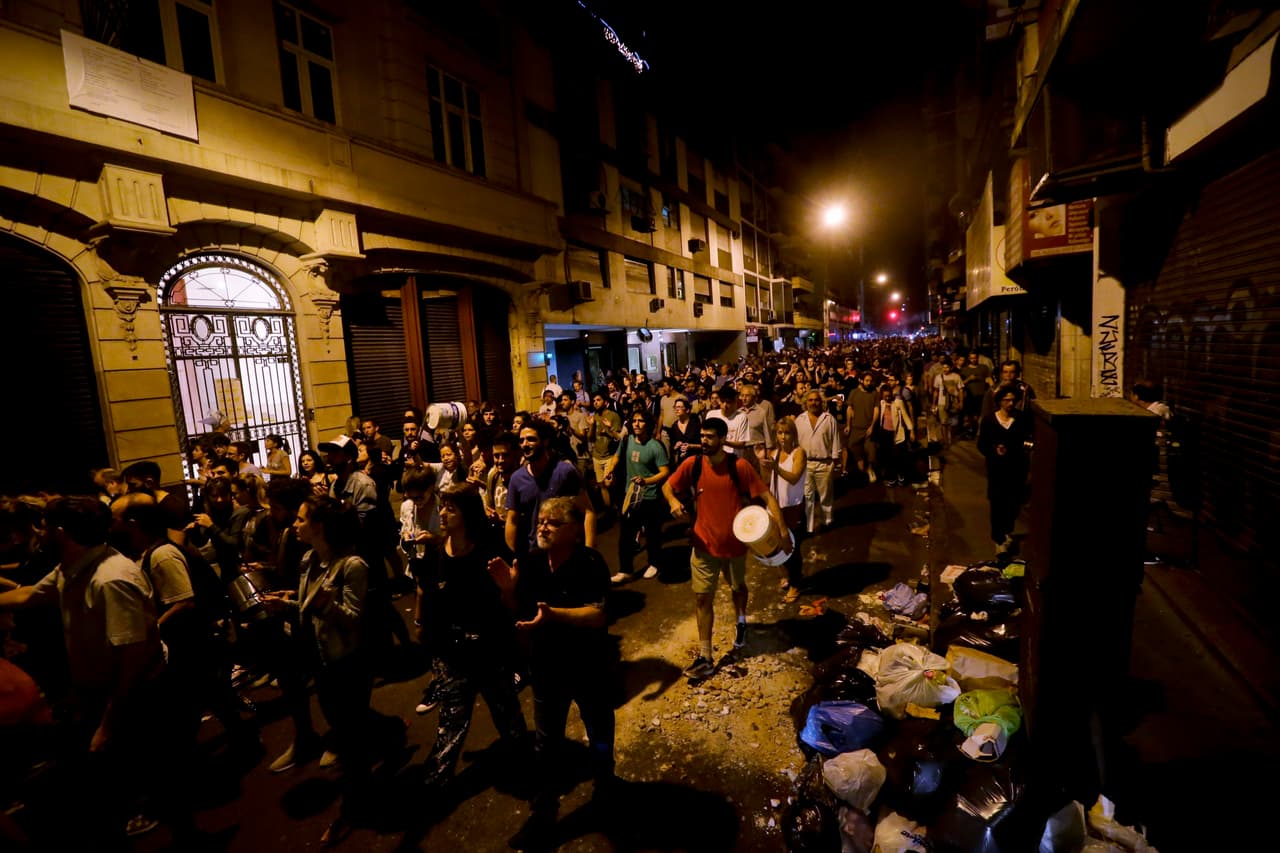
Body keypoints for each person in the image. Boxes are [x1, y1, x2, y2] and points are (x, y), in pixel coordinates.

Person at [0, 496, 194, 846]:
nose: (38, 532)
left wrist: (106, 725)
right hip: (105, 696)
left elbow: (132, 661)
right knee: (126, 785)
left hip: (135, 697)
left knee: (153, 780)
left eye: (42, 525)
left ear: (60, 532)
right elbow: (28, 596)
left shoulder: (110, 579)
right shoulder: (75, 567)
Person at [487, 496, 615, 850]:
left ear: (574, 531)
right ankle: (545, 806)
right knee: (546, 742)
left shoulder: (590, 562)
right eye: (540, 520)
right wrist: (509, 591)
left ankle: (606, 781)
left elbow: (599, 614)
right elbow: (519, 612)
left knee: (599, 727)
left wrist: (555, 614)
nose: (541, 526)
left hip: (588, 666)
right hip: (546, 668)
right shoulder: (529, 562)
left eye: (552, 522)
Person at [261, 496, 374, 845]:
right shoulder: (310, 559)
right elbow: (307, 607)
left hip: (348, 663)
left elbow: (354, 619)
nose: (294, 525)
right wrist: (288, 604)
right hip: (320, 659)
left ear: (319, 526)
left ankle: (355, 808)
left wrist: (327, 604)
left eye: (300, 519)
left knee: (350, 736)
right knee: (343, 728)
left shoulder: (352, 566)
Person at [662, 417, 789, 680]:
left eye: (710, 437)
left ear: (722, 439)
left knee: (737, 588)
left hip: (735, 546)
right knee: (702, 598)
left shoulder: (738, 466)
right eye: (703, 437)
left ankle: (741, 620)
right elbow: (667, 486)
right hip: (703, 544)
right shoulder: (692, 464)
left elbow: (766, 496)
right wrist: (673, 501)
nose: (704, 441)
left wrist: (783, 529)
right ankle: (706, 657)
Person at [418, 484, 527, 792]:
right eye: (442, 507)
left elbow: (512, 602)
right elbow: (426, 592)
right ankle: (436, 780)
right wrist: (422, 625)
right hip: (453, 654)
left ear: (467, 513)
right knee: (452, 719)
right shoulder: (437, 553)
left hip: (491, 649)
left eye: (450, 508)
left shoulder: (489, 550)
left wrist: (508, 588)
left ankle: (523, 761)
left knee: (506, 710)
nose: (442, 513)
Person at [505, 421, 596, 561]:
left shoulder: (565, 472)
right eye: (521, 440)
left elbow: (588, 512)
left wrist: (589, 552)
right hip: (535, 554)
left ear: (545, 442)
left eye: (531, 439)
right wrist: (511, 557)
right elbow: (512, 521)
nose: (524, 444)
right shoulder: (517, 479)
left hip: (567, 551)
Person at [604, 409, 670, 584]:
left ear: (648, 424)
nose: (636, 424)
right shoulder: (627, 440)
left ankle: (654, 563)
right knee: (626, 534)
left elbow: (665, 472)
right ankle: (625, 570)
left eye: (640, 421)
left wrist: (646, 481)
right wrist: (610, 470)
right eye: (634, 421)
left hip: (650, 498)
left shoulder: (655, 446)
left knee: (652, 534)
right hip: (631, 496)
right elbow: (617, 457)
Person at [977, 386, 1033, 558]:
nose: (1010, 403)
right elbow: (981, 444)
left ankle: (1007, 531)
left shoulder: (1021, 418)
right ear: (999, 401)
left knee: (1013, 503)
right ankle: (999, 538)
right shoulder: (989, 420)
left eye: (1012, 400)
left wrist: (1026, 447)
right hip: (997, 470)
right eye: (1006, 400)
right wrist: (994, 449)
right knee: (998, 502)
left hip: (1017, 468)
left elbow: (1029, 439)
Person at [762, 416, 807, 601]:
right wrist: (763, 466)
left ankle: (795, 585)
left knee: (792, 549)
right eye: (780, 433)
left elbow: (795, 477)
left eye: (787, 433)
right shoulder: (774, 453)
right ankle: (786, 576)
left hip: (792, 507)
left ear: (793, 434)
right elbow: (766, 481)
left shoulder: (799, 452)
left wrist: (776, 468)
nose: (783, 437)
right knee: (775, 547)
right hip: (774, 506)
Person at [795, 389, 841, 532]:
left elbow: (835, 441)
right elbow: (795, 443)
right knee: (807, 495)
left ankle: (828, 520)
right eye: (810, 400)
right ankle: (809, 525)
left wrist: (836, 461)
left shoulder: (829, 419)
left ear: (821, 402)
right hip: (805, 464)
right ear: (805, 402)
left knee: (826, 494)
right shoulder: (799, 420)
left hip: (824, 463)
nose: (813, 403)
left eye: (816, 400)